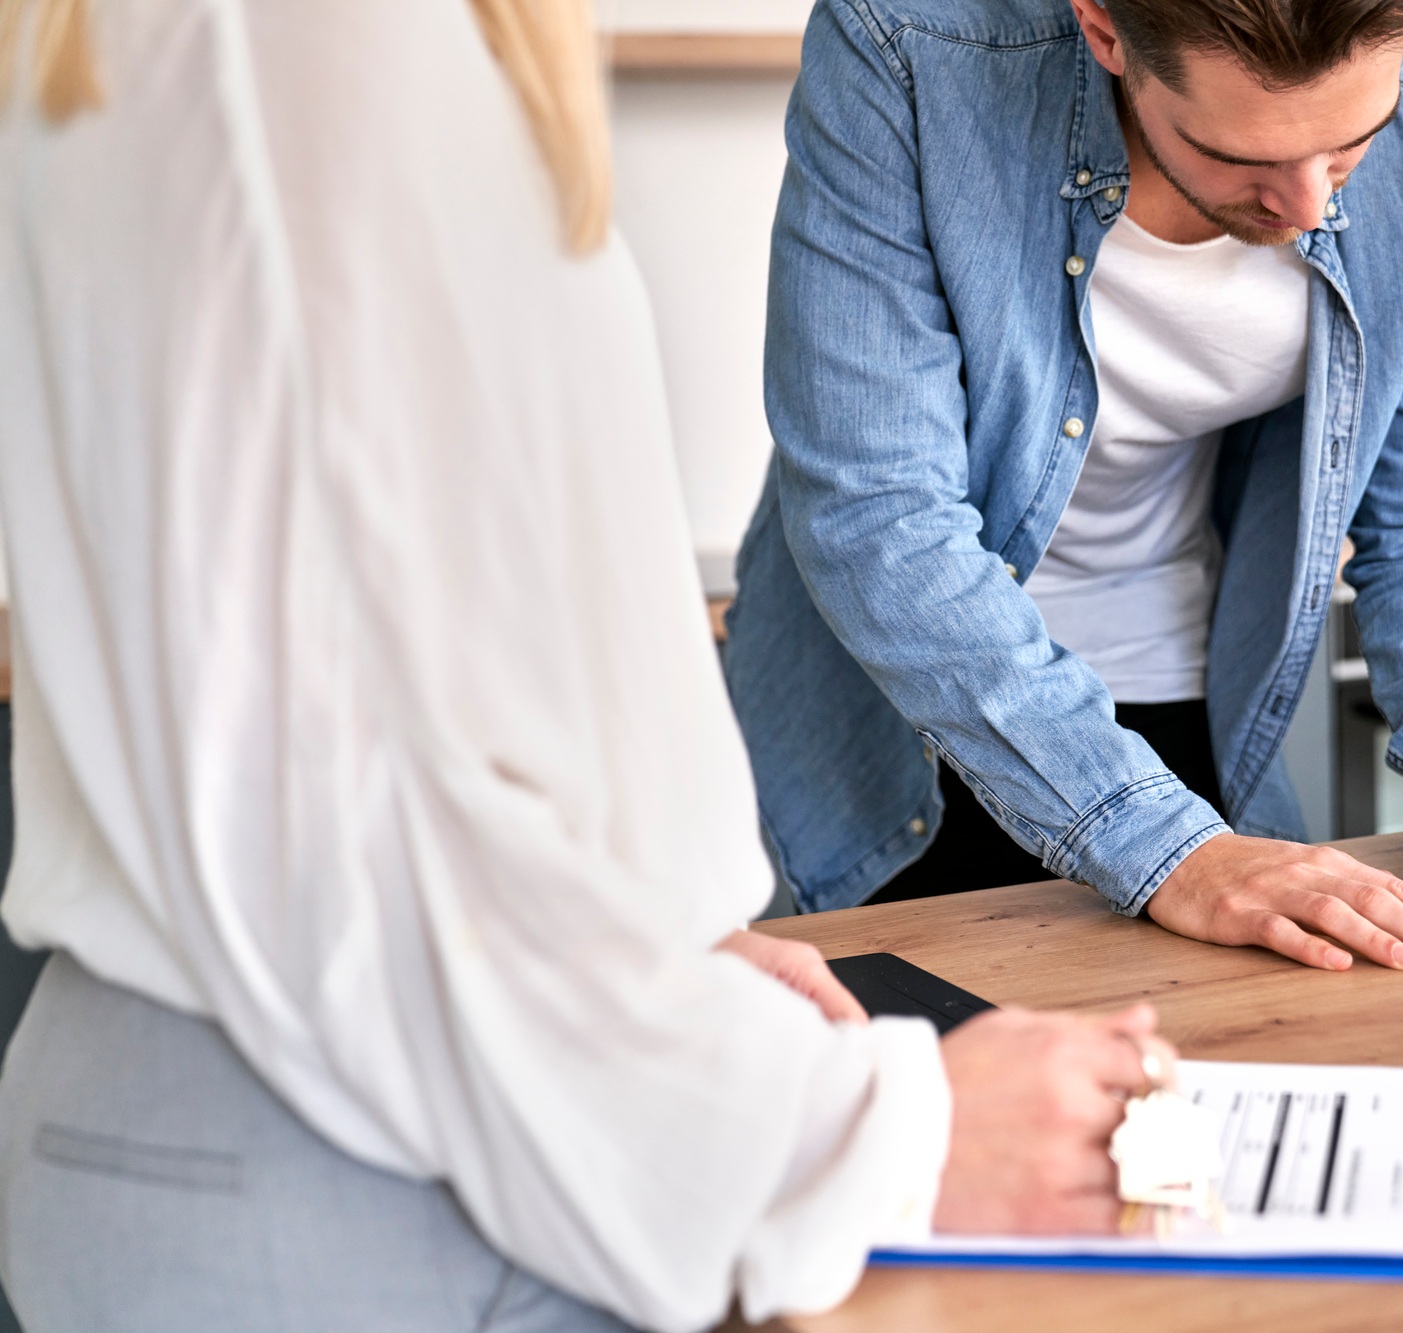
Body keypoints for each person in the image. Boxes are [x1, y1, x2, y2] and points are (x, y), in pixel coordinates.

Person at [0, 1, 1176, 1329]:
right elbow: (365, 813)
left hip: (361, 1121)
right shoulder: (302, 33)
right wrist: (874, 1133)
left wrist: (665, 939)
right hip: (364, 1162)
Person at [724, 0, 1403, 961]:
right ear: (1106, 30)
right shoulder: (909, 48)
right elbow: (878, 516)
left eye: (1354, 143)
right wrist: (1163, 844)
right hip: (892, 716)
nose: (1311, 207)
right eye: (1243, 159)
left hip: (1186, 688)